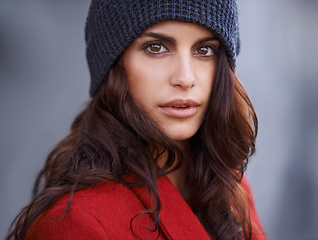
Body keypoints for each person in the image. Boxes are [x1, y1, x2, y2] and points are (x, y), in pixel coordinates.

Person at [7, 0, 267, 239]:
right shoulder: (76, 223)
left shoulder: (233, 190)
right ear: (113, 65)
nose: (186, 78)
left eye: (204, 49)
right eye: (156, 47)